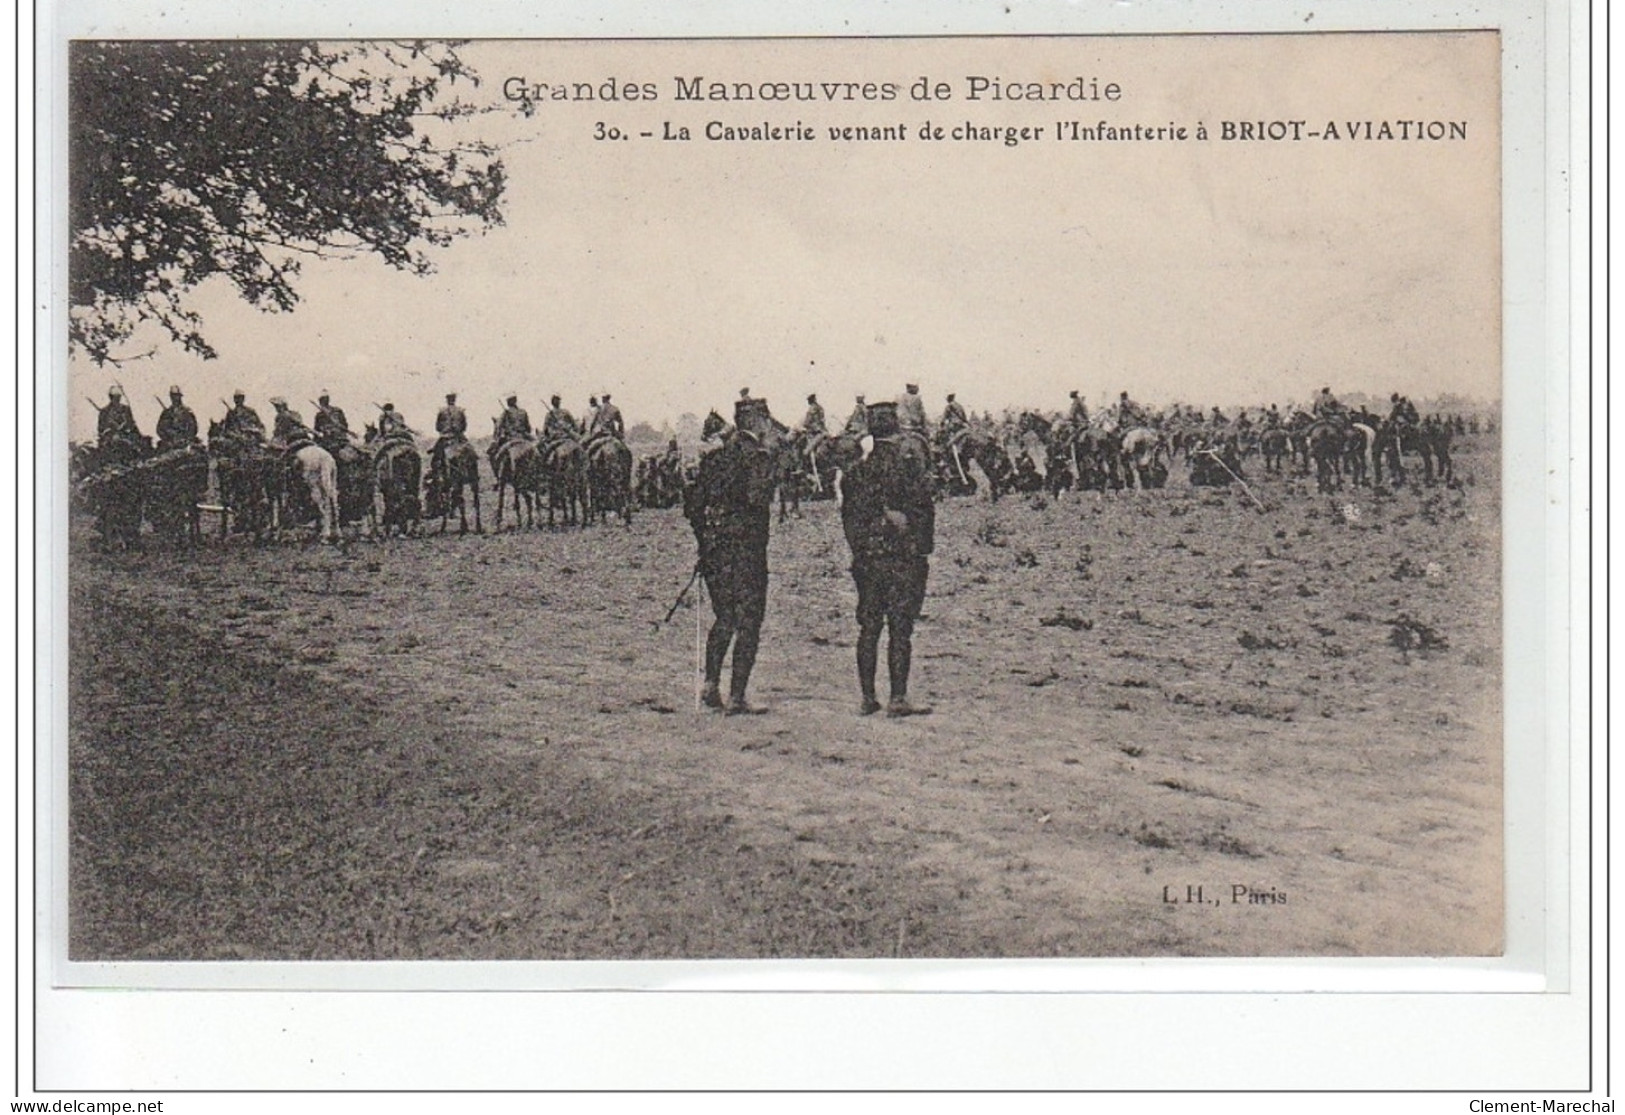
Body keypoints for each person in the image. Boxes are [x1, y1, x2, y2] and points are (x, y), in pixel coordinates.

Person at [683, 394, 782, 716]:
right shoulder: (759, 457)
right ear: (758, 421)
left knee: (724, 617)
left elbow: (692, 506)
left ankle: (710, 686)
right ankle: (737, 697)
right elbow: (757, 499)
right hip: (747, 553)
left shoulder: (714, 458)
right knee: (749, 622)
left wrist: (706, 541)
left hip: (714, 552)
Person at [840, 401, 934, 718]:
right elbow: (923, 513)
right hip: (902, 560)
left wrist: (861, 549)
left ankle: (868, 697)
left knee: (868, 628)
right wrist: (920, 549)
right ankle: (897, 698)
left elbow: (848, 521)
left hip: (866, 560)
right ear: (895, 428)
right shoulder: (909, 468)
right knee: (899, 628)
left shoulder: (855, 473)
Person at [155, 386, 197, 451]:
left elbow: (193, 428)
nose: (174, 398)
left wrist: (185, 439)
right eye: (173, 396)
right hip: (169, 444)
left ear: (180, 397)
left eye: (176, 396)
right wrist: (168, 440)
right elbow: (159, 429)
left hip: (185, 444)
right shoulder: (166, 413)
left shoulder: (187, 412)